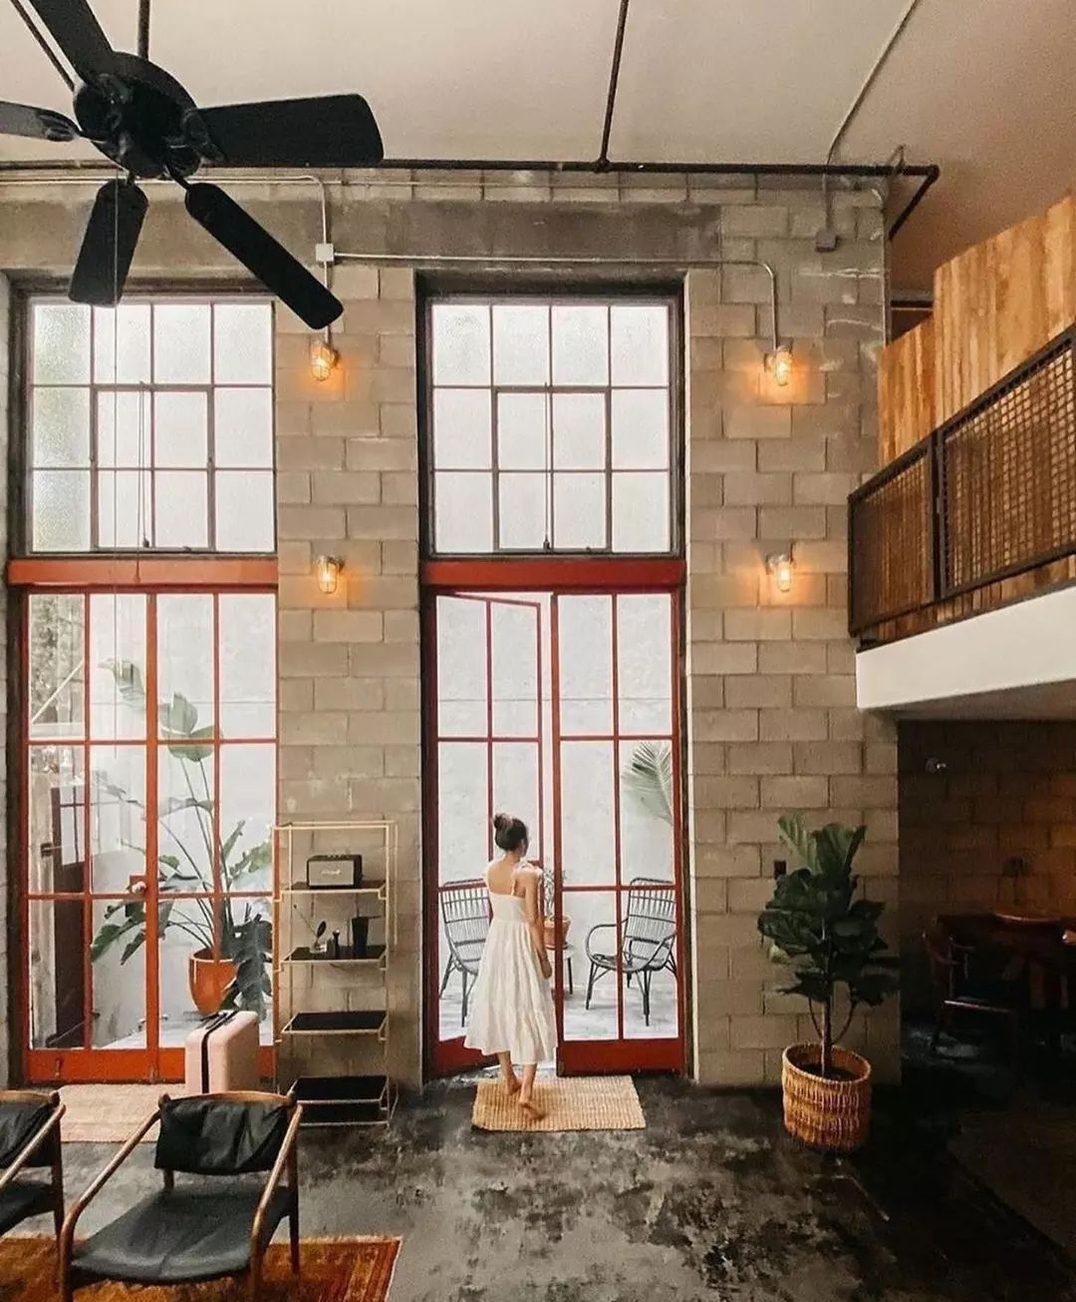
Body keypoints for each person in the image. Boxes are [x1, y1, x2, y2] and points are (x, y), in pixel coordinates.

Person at [464, 813, 557, 1121]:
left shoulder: (489, 870)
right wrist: (543, 959)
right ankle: (527, 1092)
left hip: (497, 942)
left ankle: (508, 1077)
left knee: (501, 1004)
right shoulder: (529, 875)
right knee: (531, 1008)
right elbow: (532, 921)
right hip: (520, 943)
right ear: (523, 842)